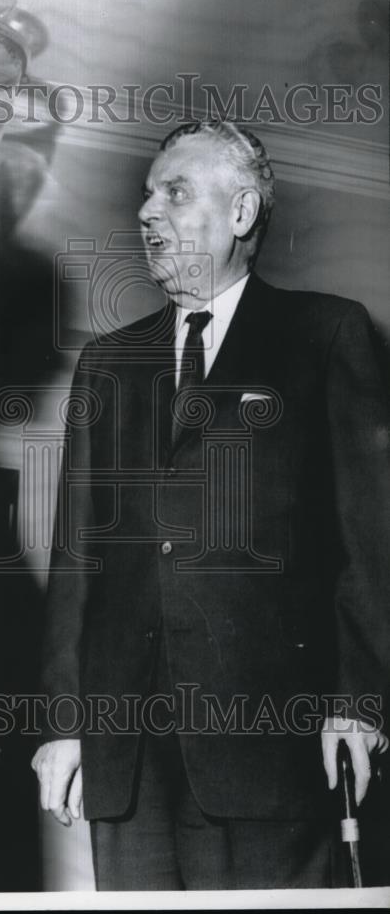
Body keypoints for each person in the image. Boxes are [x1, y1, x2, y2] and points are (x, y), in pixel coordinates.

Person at [32, 120, 390, 890]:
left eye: (176, 191)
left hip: (271, 748)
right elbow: (76, 559)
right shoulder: (107, 363)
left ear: (242, 213)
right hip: (126, 756)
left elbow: (370, 540)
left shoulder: (325, 335)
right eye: (146, 194)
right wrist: (65, 725)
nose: (147, 212)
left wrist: (357, 704)